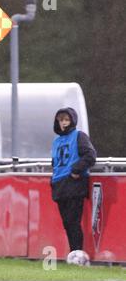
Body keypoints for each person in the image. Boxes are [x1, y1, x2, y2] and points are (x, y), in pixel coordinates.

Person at [50, 107, 96, 253]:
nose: (63, 123)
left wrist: (76, 170)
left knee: (73, 222)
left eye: (66, 119)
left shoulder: (79, 136)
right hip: (60, 185)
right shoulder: (56, 142)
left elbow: (90, 155)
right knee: (67, 223)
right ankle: (74, 253)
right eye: (61, 120)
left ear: (72, 120)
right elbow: (55, 163)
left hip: (74, 184)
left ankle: (77, 253)